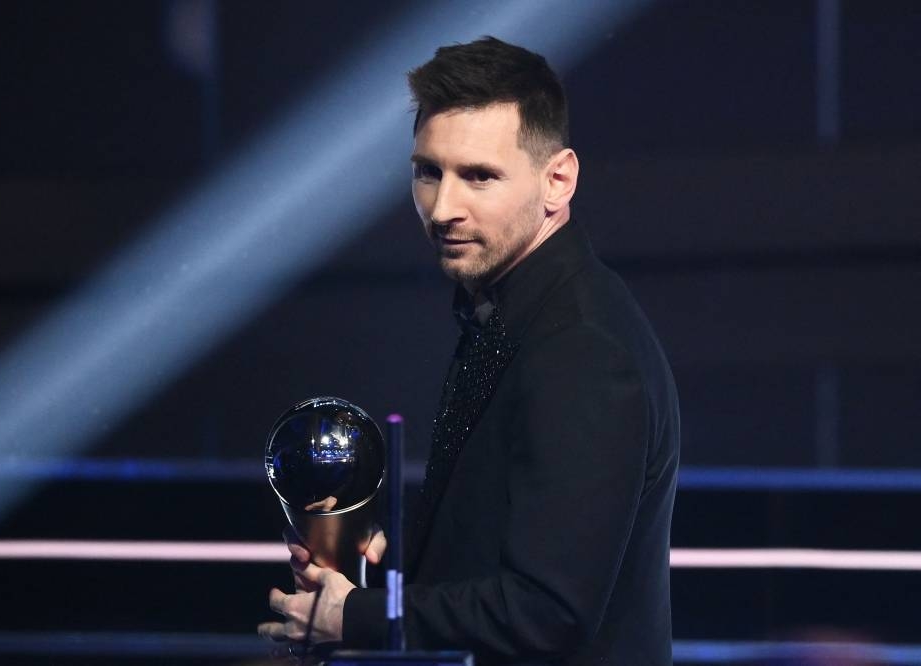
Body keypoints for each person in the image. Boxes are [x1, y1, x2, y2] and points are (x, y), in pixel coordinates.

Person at [259, 36, 679, 664]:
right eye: (428, 172)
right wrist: (386, 565)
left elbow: (548, 610)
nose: (443, 208)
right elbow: (503, 553)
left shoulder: (583, 348)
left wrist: (360, 615)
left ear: (558, 180)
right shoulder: (515, 315)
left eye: (479, 176)